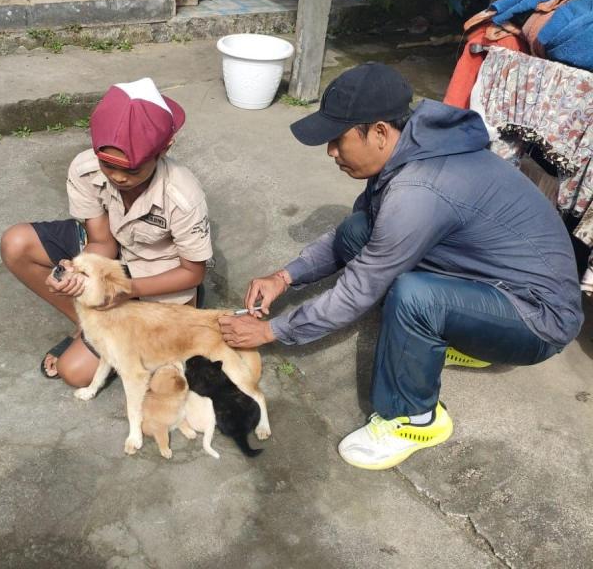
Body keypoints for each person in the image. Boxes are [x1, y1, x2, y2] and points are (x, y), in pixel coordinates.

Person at [219, 62, 583, 470]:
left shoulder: (419, 189)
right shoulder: (413, 145)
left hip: (537, 318)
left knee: (414, 298)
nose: (331, 152)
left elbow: (359, 289)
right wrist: (286, 276)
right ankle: (456, 338)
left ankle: (414, 419)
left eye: (338, 139)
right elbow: (357, 236)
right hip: (493, 281)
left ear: (377, 131)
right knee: (360, 229)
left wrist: (271, 330)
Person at [1, 77, 212, 387]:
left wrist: (124, 290)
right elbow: (102, 242)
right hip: (115, 252)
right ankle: (88, 326)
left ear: (164, 149)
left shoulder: (182, 195)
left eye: (132, 169)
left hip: (157, 270)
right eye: (108, 165)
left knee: (74, 373)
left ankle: (132, 326)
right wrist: (76, 271)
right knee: (16, 243)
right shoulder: (84, 167)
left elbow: (193, 273)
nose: (118, 177)